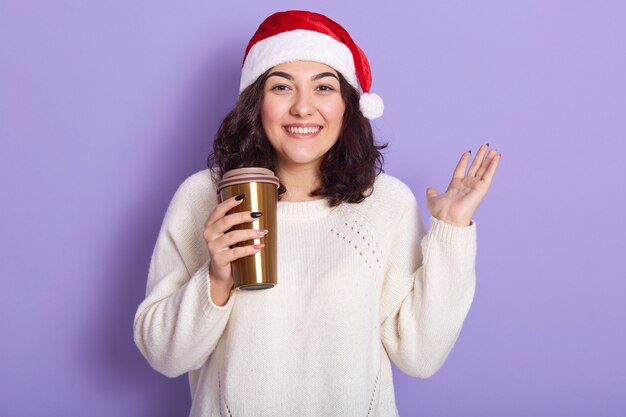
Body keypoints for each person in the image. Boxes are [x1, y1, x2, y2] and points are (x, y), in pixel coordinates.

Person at [133, 10, 501, 417]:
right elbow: (164, 356)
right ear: (257, 104)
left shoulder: (387, 203)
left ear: (348, 105)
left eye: (323, 87)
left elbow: (420, 356)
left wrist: (451, 230)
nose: (303, 108)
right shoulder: (204, 197)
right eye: (281, 87)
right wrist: (217, 277)